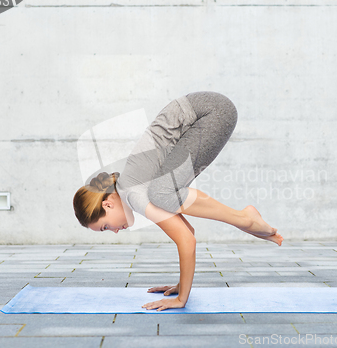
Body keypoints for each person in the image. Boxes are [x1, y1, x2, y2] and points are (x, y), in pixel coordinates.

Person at [73, 91, 283, 311]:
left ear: (107, 204)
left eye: (105, 226)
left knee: (161, 193)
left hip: (209, 113)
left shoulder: (134, 195)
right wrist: (181, 284)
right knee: (163, 193)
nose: (114, 231)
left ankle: (245, 218)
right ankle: (245, 219)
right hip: (208, 111)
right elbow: (187, 231)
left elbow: (186, 241)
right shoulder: (132, 187)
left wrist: (182, 298)